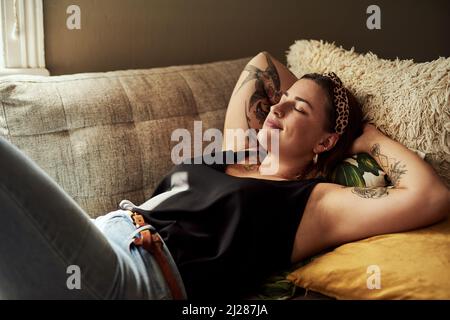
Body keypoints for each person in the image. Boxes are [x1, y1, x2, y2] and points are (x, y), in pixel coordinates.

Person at [0, 52, 448, 300]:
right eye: (282, 98)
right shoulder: (241, 150)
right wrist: (308, 99)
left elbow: (429, 196)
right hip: (104, 233)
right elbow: (263, 62)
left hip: (132, 278)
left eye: (298, 108)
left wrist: (366, 138)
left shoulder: (312, 201)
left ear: (325, 142)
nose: (277, 106)